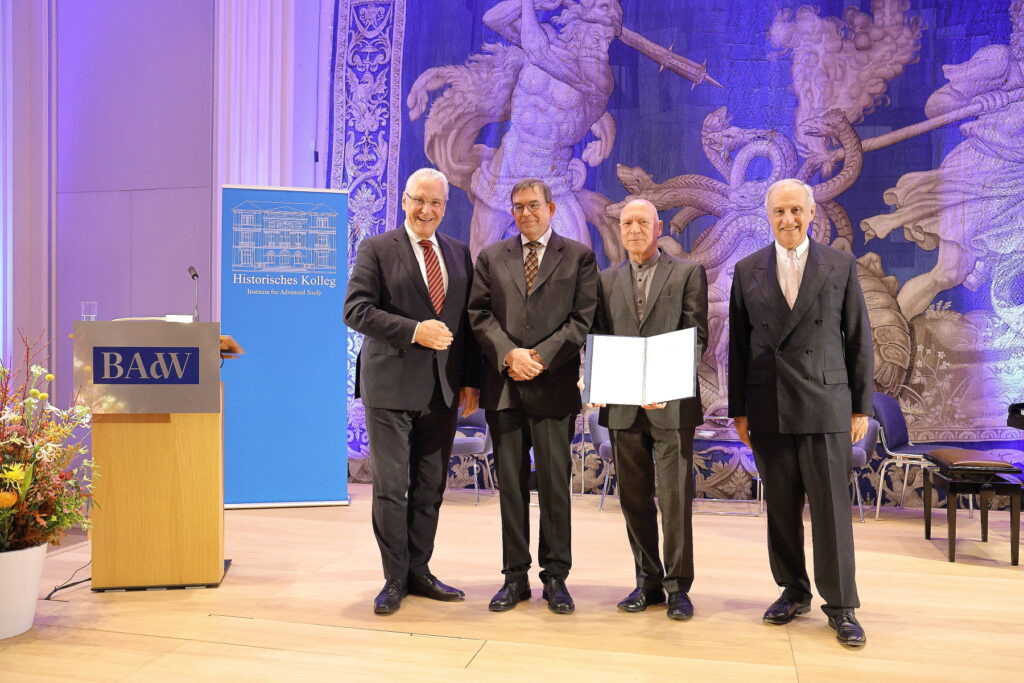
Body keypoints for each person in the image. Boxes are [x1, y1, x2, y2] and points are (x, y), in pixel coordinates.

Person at [728, 178, 873, 648]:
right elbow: (739, 348)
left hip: (826, 404)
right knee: (782, 510)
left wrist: (860, 409)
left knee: (831, 512)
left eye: (796, 211)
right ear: (767, 217)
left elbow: (859, 339)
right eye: (778, 212)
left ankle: (842, 605)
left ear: (812, 214)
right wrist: (739, 411)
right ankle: (792, 591)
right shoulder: (747, 269)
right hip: (768, 406)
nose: (787, 220)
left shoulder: (839, 265)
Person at [344, 168, 480, 615]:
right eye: (419, 200)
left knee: (429, 487)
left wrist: (471, 380)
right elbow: (356, 310)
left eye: (436, 203)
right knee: (390, 486)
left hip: (441, 391)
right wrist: (414, 331)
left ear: (445, 207)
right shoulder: (377, 249)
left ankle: (420, 571)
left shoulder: (460, 254)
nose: (427, 210)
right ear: (405, 201)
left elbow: (468, 324)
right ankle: (394, 578)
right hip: (389, 386)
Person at [468, 177, 598, 614]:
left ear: (551, 208)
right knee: (511, 490)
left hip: (553, 387)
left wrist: (537, 358)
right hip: (504, 389)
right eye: (518, 206)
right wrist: (509, 355)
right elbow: (479, 315)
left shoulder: (578, 257)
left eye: (533, 205)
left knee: (556, 489)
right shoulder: (491, 257)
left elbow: (581, 321)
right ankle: (514, 577)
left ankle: (556, 578)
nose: (526, 213)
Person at [589, 199, 708, 620]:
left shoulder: (688, 273)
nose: (634, 229)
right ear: (619, 230)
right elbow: (598, 336)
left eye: (642, 221)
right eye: (627, 223)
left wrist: (665, 382)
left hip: (670, 405)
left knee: (675, 498)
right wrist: (595, 378)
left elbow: (696, 337)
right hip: (622, 408)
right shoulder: (604, 280)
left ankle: (678, 587)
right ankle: (647, 582)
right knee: (633, 498)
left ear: (658, 227)